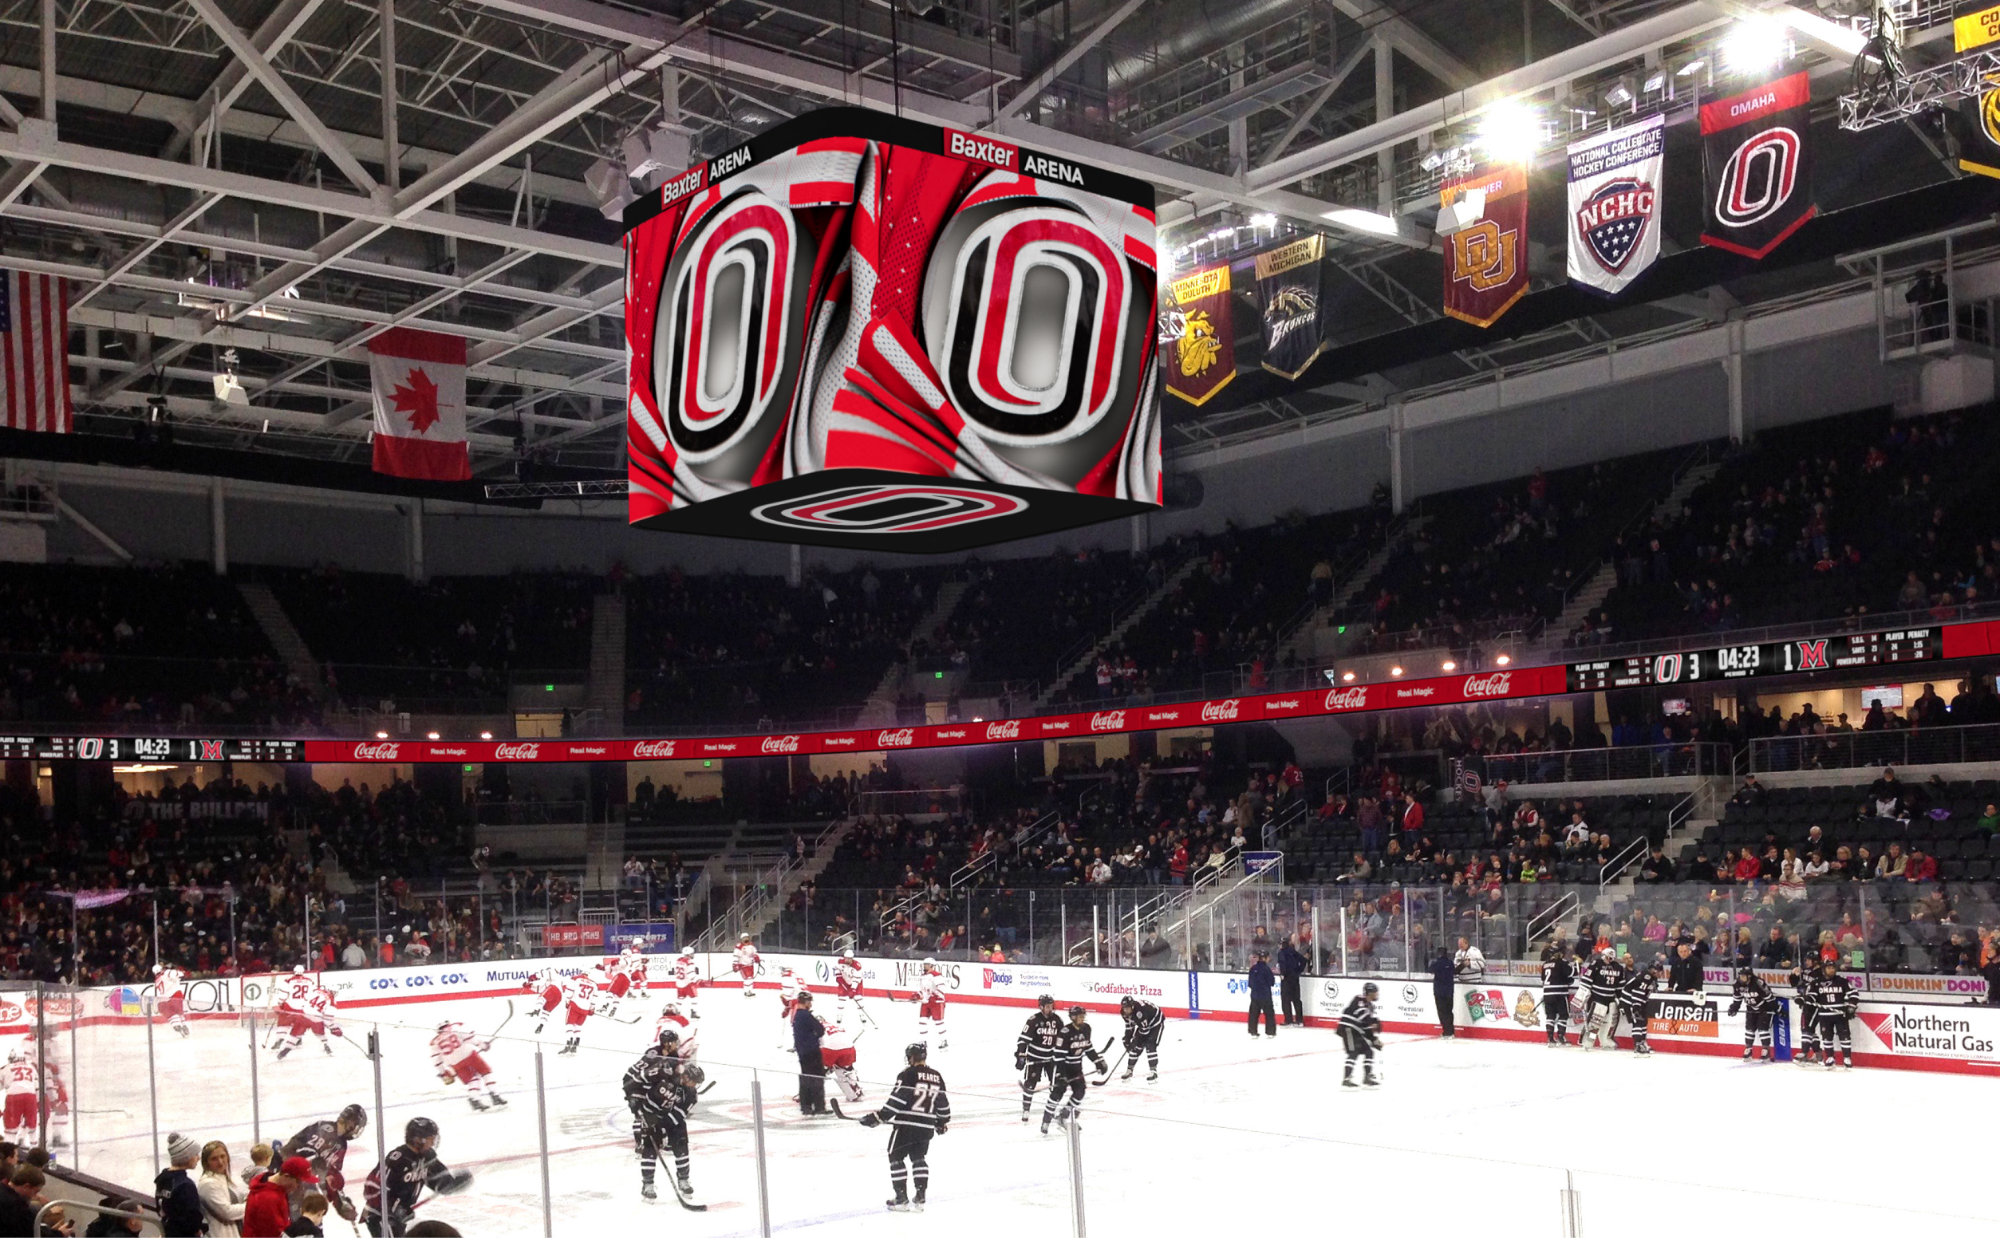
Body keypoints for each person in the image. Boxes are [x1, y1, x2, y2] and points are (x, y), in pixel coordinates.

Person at [857, 1043, 951, 1213]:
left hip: (906, 1125)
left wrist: (880, 1117)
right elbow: (942, 1103)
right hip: (926, 1127)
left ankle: (901, 1198)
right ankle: (920, 1196)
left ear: (912, 1057)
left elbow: (899, 1099)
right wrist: (941, 1121)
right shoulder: (936, 1075)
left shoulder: (908, 1074)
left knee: (896, 1157)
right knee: (919, 1157)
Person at [623, 1030, 700, 1203]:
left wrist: (663, 1126)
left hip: (668, 1117)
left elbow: (679, 1114)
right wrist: (640, 1107)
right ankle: (648, 1184)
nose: (694, 1086)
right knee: (649, 1147)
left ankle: (683, 1180)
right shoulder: (660, 1071)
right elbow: (641, 1086)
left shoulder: (689, 1092)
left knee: (681, 1146)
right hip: (647, 1102)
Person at [361, 1120, 469, 1238]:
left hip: (399, 1217)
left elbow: (439, 1182)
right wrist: (395, 1209)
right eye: (430, 1139)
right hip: (380, 1215)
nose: (433, 1143)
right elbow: (372, 1187)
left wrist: (453, 1184)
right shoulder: (398, 1159)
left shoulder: (427, 1157)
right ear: (418, 1140)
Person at [276, 1104, 366, 1223]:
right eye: (355, 1126)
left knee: (312, 1218)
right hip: (291, 1182)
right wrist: (306, 1164)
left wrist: (341, 1204)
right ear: (350, 1122)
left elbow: (331, 1178)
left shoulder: (342, 1145)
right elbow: (289, 1150)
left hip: (307, 1190)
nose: (355, 1130)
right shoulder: (321, 1128)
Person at [1039, 1006, 1107, 1134]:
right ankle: (1046, 1120)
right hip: (1062, 1067)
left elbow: (1088, 1047)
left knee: (1080, 1092)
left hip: (1076, 1067)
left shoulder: (1086, 1029)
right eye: (1079, 1016)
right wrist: (1061, 1075)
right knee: (1057, 1094)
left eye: (1083, 1015)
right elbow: (1058, 1055)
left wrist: (1098, 1061)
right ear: (1072, 1017)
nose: (1082, 1018)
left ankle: (1063, 1116)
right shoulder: (1065, 1033)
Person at [430, 1022, 505, 1112]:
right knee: (486, 1072)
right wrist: (482, 1045)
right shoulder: (455, 1029)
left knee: (473, 1079)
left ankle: (474, 1099)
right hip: (469, 1055)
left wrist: (442, 1073)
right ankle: (495, 1095)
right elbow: (470, 1038)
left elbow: (436, 1060)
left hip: (454, 1063)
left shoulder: (434, 1042)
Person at [1014, 994, 1064, 1123]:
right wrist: (1020, 1055)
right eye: (1047, 1006)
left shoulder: (1057, 1020)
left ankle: (1051, 1111)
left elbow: (1063, 1040)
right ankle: (1026, 1109)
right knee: (1030, 1084)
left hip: (1051, 1059)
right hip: (1035, 1057)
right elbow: (1023, 1040)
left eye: (1051, 1006)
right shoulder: (1033, 1020)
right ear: (1041, 1007)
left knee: (1056, 1086)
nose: (1050, 1009)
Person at [1806, 959, 1859, 1070]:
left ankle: (1847, 1058)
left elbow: (1854, 994)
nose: (1831, 970)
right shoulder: (1816, 982)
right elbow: (1812, 996)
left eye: (1833, 968)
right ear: (1824, 969)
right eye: (1829, 968)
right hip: (1824, 1015)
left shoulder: (1842, 981)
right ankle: (1830, 1057)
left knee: (1844, 1037)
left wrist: (1851, 1007)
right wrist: (1805, 1000)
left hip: (1840, 1014)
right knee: (1827, 1037)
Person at [243, 1158, 313, 1238]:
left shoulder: (275, 1188)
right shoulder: (268, 1199)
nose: (298, 1187)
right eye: (298, 1182)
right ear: (286, 1176)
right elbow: (274, 1234)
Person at [154, 1133, 204, 1238]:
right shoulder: (185, 1185)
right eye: (195, 1154)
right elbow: (193, 1218)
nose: (198, 1158)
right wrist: (198, 1230)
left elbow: (160, 1208)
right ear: (186, 1157)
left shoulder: (162, 1179)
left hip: (168, 1232)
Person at [1727, 968, 1780, 1062]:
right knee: (1749, 1029)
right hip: (1751, 1008)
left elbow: (1769, 997)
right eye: (1740, 975)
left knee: (1763, 1029)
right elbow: (1737, 999)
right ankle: (1748, 1050)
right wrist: (1734, 1008)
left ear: (1749, 976)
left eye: (1744, 976)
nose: (1741, 978)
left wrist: (1777, 1008)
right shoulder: (1737, 984)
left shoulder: (1758, 983)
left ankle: (1765, 1051)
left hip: (1764, 1008)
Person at [199, 1141, 248, 1238]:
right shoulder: (208, 1184)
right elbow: (227, 1212)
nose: (220, 1162)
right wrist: (253, 1204)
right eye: (214, 1159)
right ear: (206, 1162)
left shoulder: (221, 1178)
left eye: (222, 1156)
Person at [1338, 983, 1383, 1088]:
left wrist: (1374, 1033)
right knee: (1354, 1051)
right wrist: (1373, 1039)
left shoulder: (1369, 1005)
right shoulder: (1360, 1001)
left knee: (1369, 1051)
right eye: (1376, 992)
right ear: (1370, 993)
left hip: (1356, 1030)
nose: (1377, 994)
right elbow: (1365, 1022)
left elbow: (1367, 1023)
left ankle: (1367, 1077)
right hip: (1348, 1029)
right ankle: (1346, 1079)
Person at [1579, 948, 1626, 1050]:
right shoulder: (1596, 964)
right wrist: (1583, 994)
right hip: (1597, 997)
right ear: (1603, 956)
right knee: (1595, 1023)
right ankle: (1588, 1041)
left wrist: (1620, 1000)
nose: (1609, 960)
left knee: (1608, 1022)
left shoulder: (1618, 967)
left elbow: (1620, 987)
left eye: (1611, 958)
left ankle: (1604, 1040)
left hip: (1610, 999)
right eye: (1608, 957)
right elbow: (1586, 980)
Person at [792, 991, 828, 1116]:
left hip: (803, 1051)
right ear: (807, 1002)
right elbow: (820, 1029)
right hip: (811, 1050)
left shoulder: (797, 1015)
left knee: (806, 1077)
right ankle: (818, 1106)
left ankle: (806, 1105)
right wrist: (815, 1035)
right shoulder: (806, 1015)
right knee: (817, 1078)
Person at [1618, 960, 1660, 1056]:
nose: (1657, 971)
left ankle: (1643, 1043)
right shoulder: (1646, 976)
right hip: (1630, 1002)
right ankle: (1638, 1045)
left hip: (1637, 1002)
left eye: (1658, 970)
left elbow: (1645, 994)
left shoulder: (1651, 978)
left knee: (1643, 1021)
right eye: (1655, 969)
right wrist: (1636, 1007)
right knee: (1637, 1022)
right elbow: (1637, 991)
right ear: (1650, 969)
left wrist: (1643, 1005)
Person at [1117, 995, 1164, 1082]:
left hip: (1155, 1022)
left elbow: (1145, 1030)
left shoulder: (1139, 1012)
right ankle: (1129, 1070)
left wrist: (1134, 1041)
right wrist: (1127, 1040)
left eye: (1127, 1008)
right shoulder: (1123, 1013)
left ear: (1132, 1006)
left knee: (1150, 1045)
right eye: (1124, 1008)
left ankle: (1153, 1071)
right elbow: (1129, 1026)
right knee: (1135, 1048)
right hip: (1144, 1024)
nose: (1126, 1010)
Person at [557, 967, 597, 1055]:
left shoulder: (575, 979)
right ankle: (575, 1046)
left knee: (569, 1024)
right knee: (578, 1026)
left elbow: (569, 991)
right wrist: (592, 1008)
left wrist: (567, 1001)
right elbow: (594, 998)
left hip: (575, 1005)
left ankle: (568, 1043)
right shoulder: (594, 984)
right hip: (585, 1008)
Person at [1540, 947, 1576, 1047]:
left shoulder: (1545, 964)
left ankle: (1550, 1039)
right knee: (1563, 1015)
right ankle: (1561, 1037)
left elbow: (1543, 980)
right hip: (1560, 993)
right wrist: (1579, 964)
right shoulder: (1561, 963)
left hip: (1547, 994)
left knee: (1550, 1016)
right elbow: (1573, 972)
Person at [914, 958, 948, 1050]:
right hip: (926, 1002)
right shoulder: (923, 976)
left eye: (926, 964)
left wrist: (934, 997)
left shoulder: (936, 975)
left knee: (938, 1022)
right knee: (922, 1021)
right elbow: (922, 990)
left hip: (936, 1003)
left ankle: (943, 1040)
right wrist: (917, 996)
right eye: (924, 964)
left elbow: (941, 989)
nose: (924, 966)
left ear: (931, 965)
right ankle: (923, 1042)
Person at [1276, 937, 1307, 1026]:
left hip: (1286, 978)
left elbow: (1283, 964)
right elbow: (1303, 960)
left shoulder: (1281, 953)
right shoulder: (1293, 951)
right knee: (1296, 999)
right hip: (1294, 977)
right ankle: (1299, 1020)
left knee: (1285, 999)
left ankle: (1288, 1019)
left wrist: (1283, 973)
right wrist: (1298, 970)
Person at [153, 964, 191, 1039]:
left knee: (168, 1011)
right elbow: (180, 974)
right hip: (176, 994)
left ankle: (176, 1023)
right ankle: (182, 1024)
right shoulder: (167, 972)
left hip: (166, 998)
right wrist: (180, 972)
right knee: (178, 1011)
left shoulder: (157, 981)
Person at [1245, 950, 1277, 1037]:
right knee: (1269, 1014)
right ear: (1265, 958)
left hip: (1255, 995)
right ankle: (1270, 1031)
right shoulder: (1267, 969)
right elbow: (1271, 982)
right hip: (1265, 995)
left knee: (1254, 1014)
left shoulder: (1253, 968)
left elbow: (1250, 983)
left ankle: (1253, 1031)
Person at [1429, 947, 1457, 1039]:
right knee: (1449, 1011)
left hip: (1439, 991)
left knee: (1442, 1012)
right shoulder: (1450, 963)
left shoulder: (1437, 963)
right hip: (1449, 990)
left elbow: (1429, 969)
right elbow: (1454, 971)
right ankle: (1451, 1031)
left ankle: (1447, 1031)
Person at [671, 947, 703, 1020]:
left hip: (679, 982)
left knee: (680, 998)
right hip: (688, 983)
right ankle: (693, 1012)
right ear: (688, 954)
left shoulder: (678, 960)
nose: (693, 955)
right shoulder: (690, 962)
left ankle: (677, 1012)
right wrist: (698, 981)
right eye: (691, 953)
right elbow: (690, 974)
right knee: (694, 997)